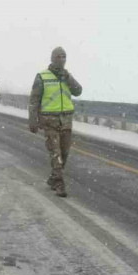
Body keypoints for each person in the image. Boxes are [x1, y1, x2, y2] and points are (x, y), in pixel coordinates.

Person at [28, 47, 83, 197]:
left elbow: (78, 91)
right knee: (55, 153)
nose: (61, 59)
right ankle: (59, 183)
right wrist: (33, 120)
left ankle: (53, 178)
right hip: (49, 121)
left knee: (64, 153)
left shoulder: (66, 76)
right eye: (58, 56)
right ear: (52, 58)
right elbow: (34, 100)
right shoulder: (42, 76)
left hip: (66, 121)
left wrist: (68, 77)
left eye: (64, 56)